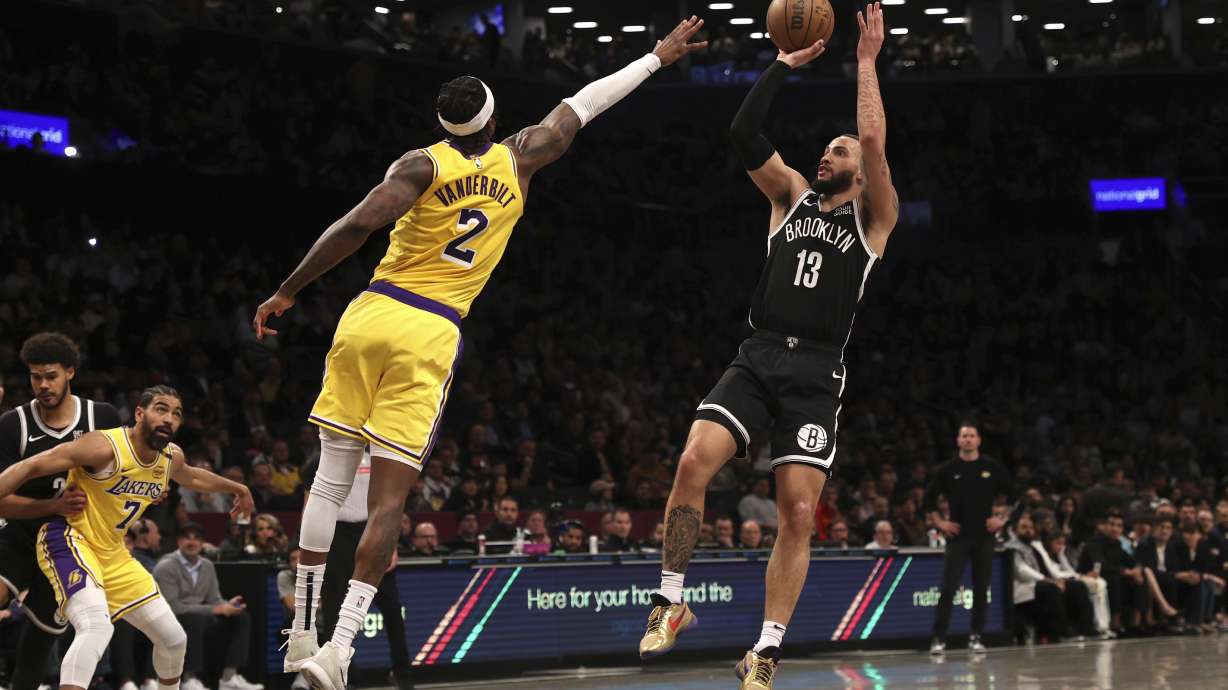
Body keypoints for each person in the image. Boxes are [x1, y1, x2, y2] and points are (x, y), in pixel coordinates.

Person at [259, 19, 708, 689]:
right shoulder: (520, 157)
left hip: (372, 310)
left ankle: (302, 631)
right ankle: (340, 651)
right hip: (431, 330)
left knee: (329, 479)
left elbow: (356, 225)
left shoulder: (418, 164)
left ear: (442, 123)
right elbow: (584, 104)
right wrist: (655, 57)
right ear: (494, 119)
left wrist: (287, 292)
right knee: (386, 504)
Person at [640, 8, 897, 689]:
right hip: (757, 355)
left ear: (862, 174)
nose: (829, 156)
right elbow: (743, 133)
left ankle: (767, 649)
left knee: (798, 512)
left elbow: (872, 139)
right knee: (694, 460)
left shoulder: (875, 221)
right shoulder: (790, 196)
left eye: (839, 153)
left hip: (816, 371)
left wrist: (865, 64)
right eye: (828, 151)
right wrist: (782, 66)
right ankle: (670, 600)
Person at [0, 386, 253, 690]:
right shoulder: (104, 446)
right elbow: (35, 464)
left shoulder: (170, 458)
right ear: (139, 414)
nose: (169, 418)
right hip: (69, 539)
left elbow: (195, 477)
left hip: (114, 553)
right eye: (161, 409)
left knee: (173, 640)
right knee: (96, 627)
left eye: (176, 414)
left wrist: (239, 488)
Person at [0, 332, 121, 690]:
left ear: (70, 372)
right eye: (35, 376)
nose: (43, 384)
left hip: (69, 545)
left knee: (34, 655)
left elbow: (121, 477)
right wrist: (52, 505)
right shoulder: (13, 424)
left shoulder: (102, 417)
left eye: (50, 375)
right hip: (19, 534)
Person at [301, 448, 413, 689]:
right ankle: (345, 678)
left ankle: (403, 675)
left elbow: (391, 501)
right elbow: (310, 506)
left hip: (372, 530)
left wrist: (391, 543)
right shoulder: (322, 458)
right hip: (336, 535)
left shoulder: (380, 458)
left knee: (393, 610)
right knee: (334, 611)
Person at [922, 423, 1015, 655]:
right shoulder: (948, 469)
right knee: (948, 587)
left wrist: (1001, 519)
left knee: (982, 588)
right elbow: (928, 499)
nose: (968, 440)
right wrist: (941, 523)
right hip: (958, 537)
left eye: (972, 436)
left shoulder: (991, 467)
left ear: (979, 440)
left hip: (984, 536)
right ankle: (939, 638)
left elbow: (1014, 496)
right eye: (964, 436)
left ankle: (976, 636)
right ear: (958, 440)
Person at [154, 523, 263, 690]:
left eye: (196, 538)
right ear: (178, 541)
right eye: (187, 538)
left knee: (241, 617)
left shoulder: (207, 565)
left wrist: (227, 604)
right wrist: (214, 609)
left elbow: (214, 599)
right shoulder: (166, 566)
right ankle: (189, 679)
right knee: (194, 620)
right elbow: (172, 606)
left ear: (202, 543)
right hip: (172, 619)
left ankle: (229, 677)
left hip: (200, 616)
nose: (192, 542)